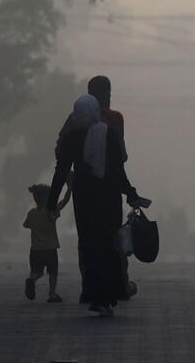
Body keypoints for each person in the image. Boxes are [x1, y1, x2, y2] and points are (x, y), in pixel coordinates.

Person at [48, 94, 143, 317]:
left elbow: (61, 171)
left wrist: (52, 201)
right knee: (109, 246)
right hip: (108, 199)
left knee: (89, 246)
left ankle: (94, 295)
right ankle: (107, 297)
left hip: (85, 199)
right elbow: (118, 170)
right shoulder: (107, 133)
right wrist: (131, 194)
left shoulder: (71, 138)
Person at [23, 180, 73, 303]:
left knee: (37, 272)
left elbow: (26, 225)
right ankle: (52, 294)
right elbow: (64, 201)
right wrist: (70, 188)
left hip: (35, 250)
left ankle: (32, 280)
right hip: (50, 249)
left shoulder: (32, 213)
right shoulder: (51, 212)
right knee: (53, 272)